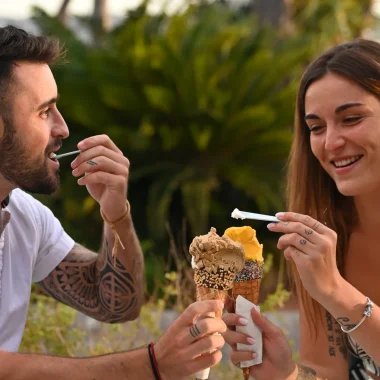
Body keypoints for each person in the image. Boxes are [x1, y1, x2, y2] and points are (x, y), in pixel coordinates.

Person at [0, 25, 226, 379]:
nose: (62, 129)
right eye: (45, 112)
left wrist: (116, 214)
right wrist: (154, 365)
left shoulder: (25, 216)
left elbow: (114, 304)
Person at [223, 38, 380, 380]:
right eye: (316, 128)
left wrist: (336, 292)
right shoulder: (326, 241)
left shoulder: (328, 275)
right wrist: (285, 374)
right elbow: (329, 372)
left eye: (351, 119)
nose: (330, 143)